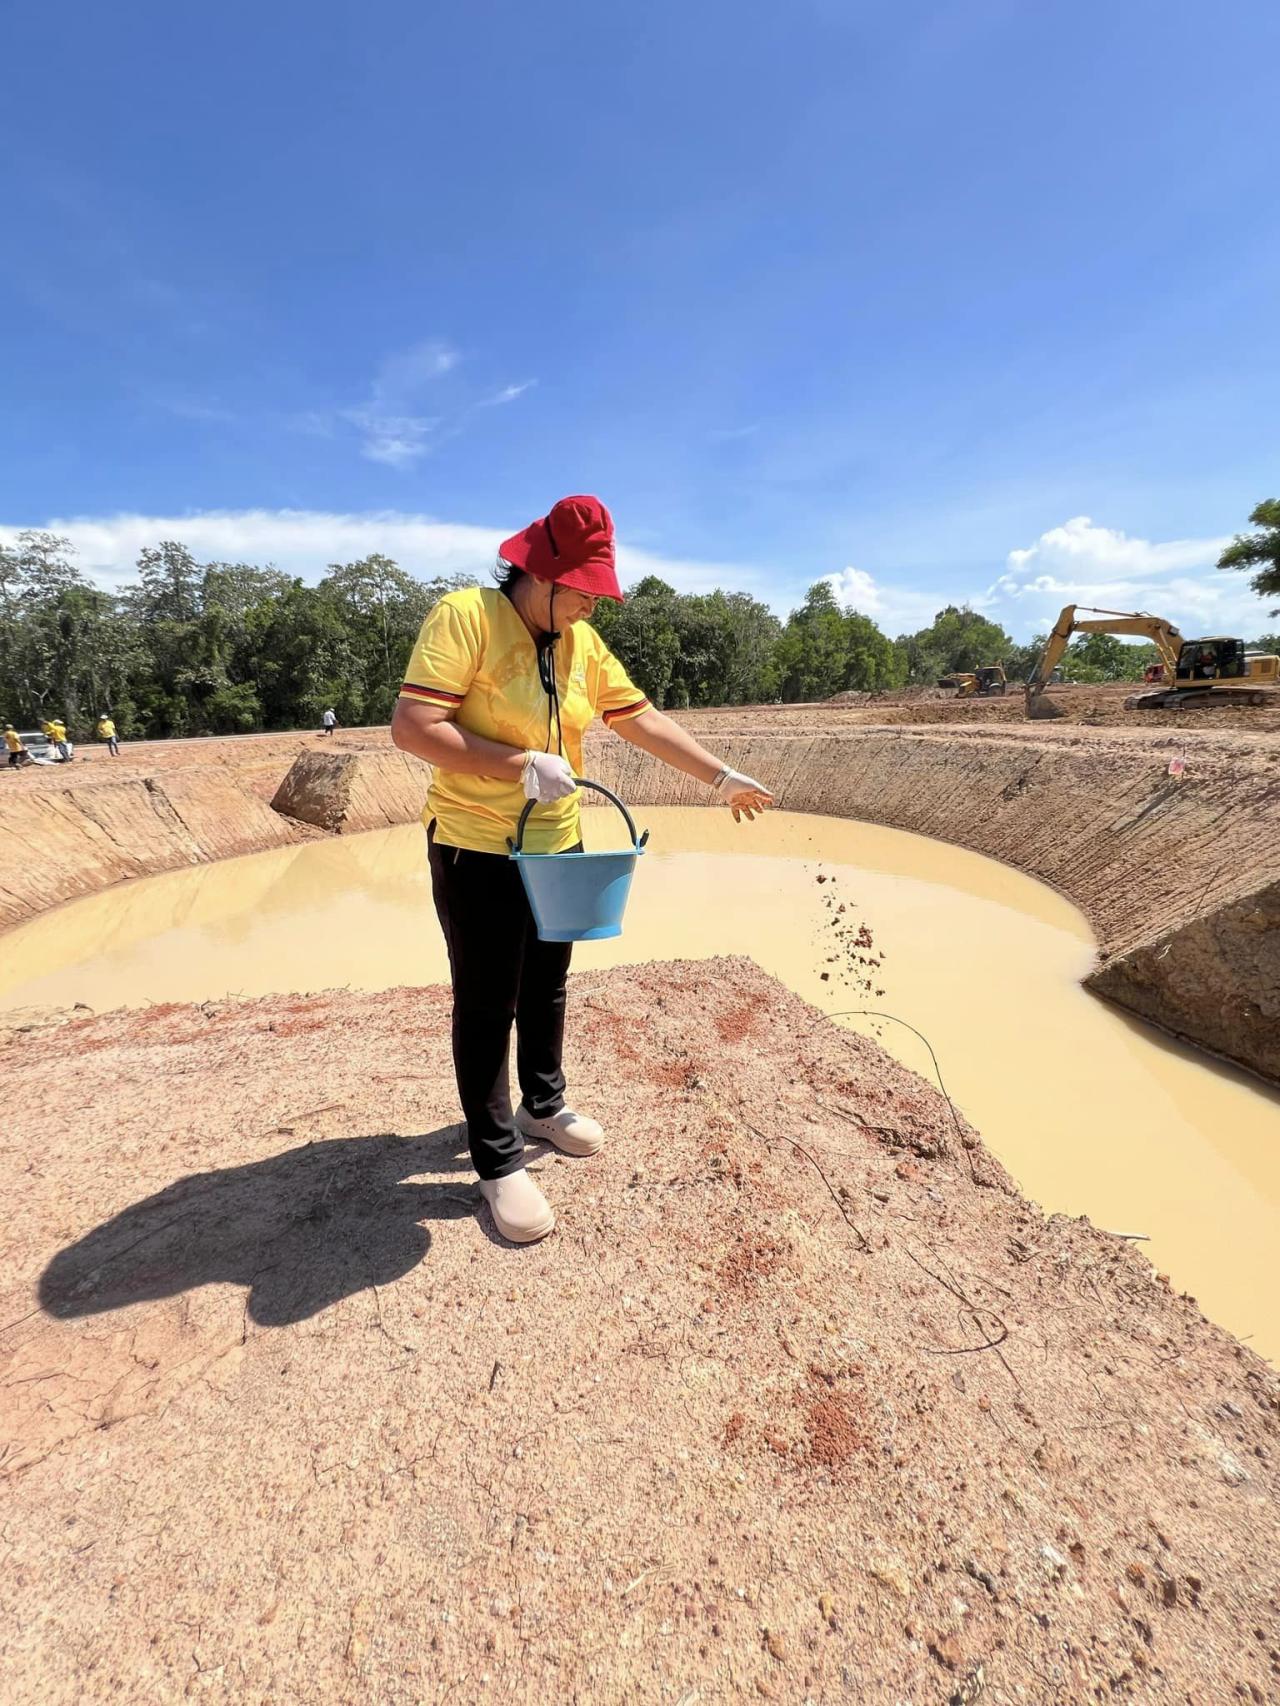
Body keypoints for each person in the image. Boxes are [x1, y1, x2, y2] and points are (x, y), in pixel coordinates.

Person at [391, 494, 773, 1245]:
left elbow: (640, 719)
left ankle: (542, 1103)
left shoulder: (582, 645)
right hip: (479, 846)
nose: (594, 606)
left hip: (556, 843)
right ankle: (497, 1160)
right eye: (586, 592)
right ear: (542, 574)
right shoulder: (465, 617)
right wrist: (517, 764)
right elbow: (414, 727)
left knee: (547, 982)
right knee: (487, 997)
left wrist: (719, 776)